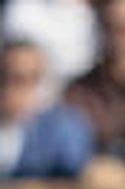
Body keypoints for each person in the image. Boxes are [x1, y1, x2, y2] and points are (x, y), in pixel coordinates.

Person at [0, 38, 95, 179]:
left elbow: (78, 171)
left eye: (29, 79)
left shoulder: (64, 130)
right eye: (6, 78)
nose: (14, 89)